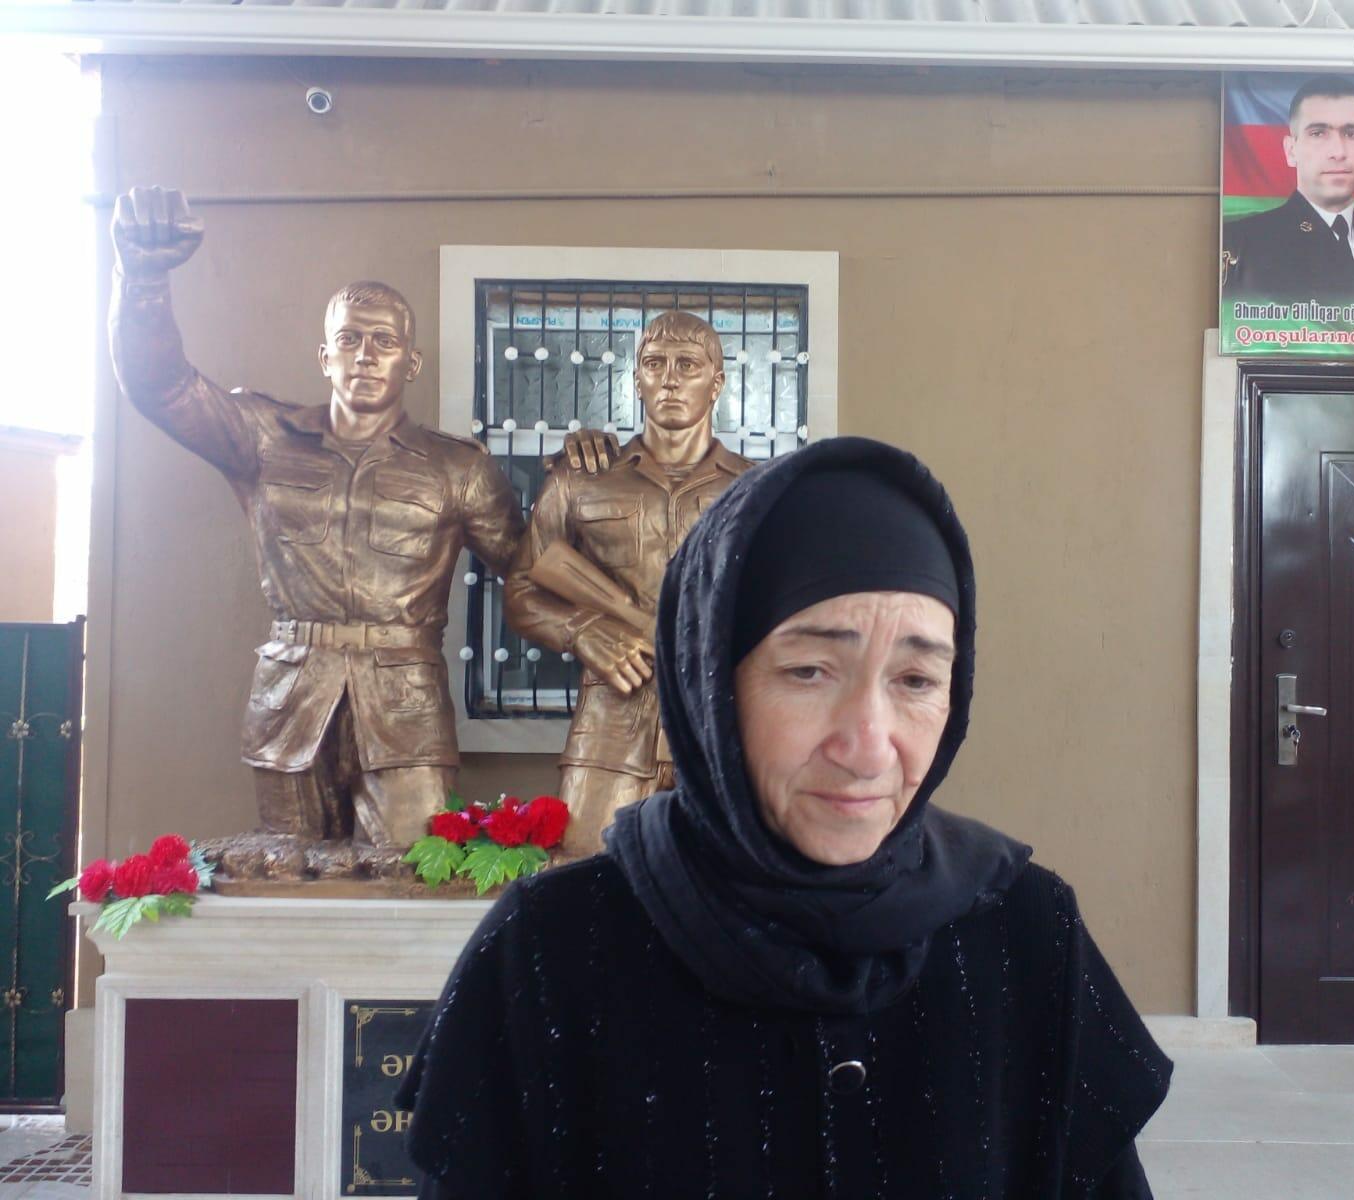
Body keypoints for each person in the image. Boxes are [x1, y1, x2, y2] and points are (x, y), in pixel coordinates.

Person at [400, 436, 1173, 1198]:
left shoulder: (1027, 934)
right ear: (710, 680)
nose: (868, 749)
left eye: (915, 679)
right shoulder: (551, 950)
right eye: (808, 671)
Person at [108, 186, 524, 852]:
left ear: (411, 362)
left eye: (384, 342)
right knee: (285, 872)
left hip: (405, 704)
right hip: (291, 699)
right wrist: (144, 281)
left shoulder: (458, 468)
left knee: (412, 875)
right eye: (349, 340)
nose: (366, 355)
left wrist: (584, 484)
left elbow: (529, 571)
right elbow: (163, 389)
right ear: (325, 358)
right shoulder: (261, 438)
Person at [502, 311, 753, 857]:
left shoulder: (756, 490)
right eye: (654, 364)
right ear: (635, 380)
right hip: (611, 725)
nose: (669, 379)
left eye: (687, 365)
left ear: (717, 383)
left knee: (729, 887)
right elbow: (522, 590)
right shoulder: (580, 478)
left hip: (719, 726)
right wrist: (583, 630)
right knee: (583, 877)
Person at [1223, 75, 1354, 299]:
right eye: (1318, 133)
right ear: (1291, 150)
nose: (1338, 152)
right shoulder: (1243, 244)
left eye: (1351, 134)